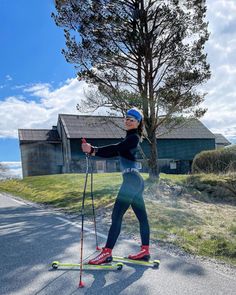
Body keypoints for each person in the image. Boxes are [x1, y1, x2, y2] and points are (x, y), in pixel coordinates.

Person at [81, 108, 150, 265]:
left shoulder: (133, 138)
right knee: (142, 218)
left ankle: (107, 253)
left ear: (138, 123)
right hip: (136, 180)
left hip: (131, 181)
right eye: (126, 118)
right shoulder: (130, 138)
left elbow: (115, 149)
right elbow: (117, 149)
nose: (127, 120)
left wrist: (93, 150)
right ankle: (145, 251)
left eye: (132, 119)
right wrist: (94, 151)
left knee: (116, 216)